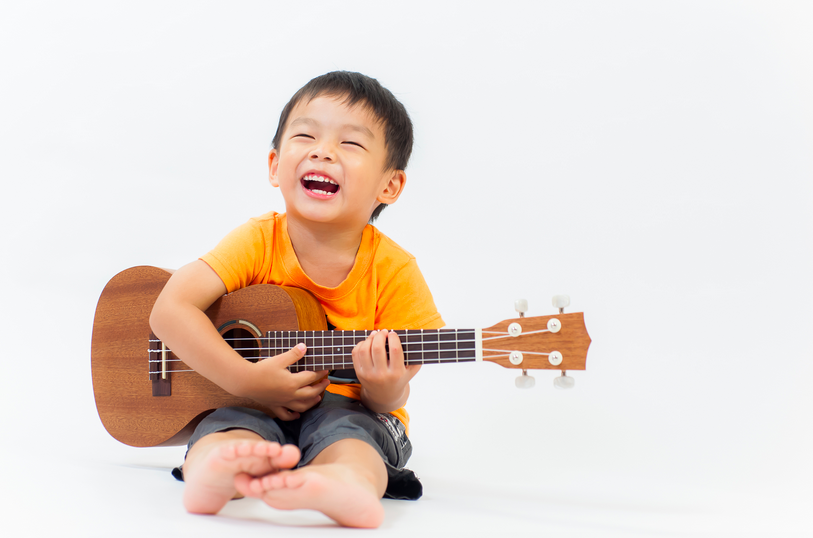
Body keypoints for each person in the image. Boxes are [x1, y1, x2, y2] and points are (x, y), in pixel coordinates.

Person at [149, 71, 444, 529]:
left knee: (354, 436)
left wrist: (384, 387)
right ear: (274, 164)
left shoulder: (395, 270)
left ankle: (344, 482)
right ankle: (213, 469)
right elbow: (169, 310)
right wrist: (246, 380)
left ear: (389, 186)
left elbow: (392, 395)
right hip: (249, 401)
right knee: (226, 428)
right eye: (305, 134)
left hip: (353, 409)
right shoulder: (256, 240)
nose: (322, 150)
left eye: (351, 144)